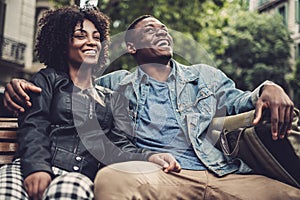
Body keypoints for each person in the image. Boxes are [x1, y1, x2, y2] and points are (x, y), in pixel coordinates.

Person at [3, 15, 300, 199]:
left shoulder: (206, 77)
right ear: (130, 47)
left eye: (164, 29)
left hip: (224, 172)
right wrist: (18, 85)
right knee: (111, 181)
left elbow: (243, 101)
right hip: (162, 177)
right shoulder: (114, 84)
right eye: (149, 30)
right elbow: (68, 88)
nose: (162, 32)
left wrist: (269, 88)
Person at [0, 9, 180, 200]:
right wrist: (36, 168)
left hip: (76, 176)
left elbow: (118, 146)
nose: (92, 42)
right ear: (62, 44)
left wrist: (150, 156)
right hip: (27, 167)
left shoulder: (113, 99)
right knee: (6, 192)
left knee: (69, 191)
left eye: (96, 37)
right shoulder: (47, 80)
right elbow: (34, 126)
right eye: (80, 35)